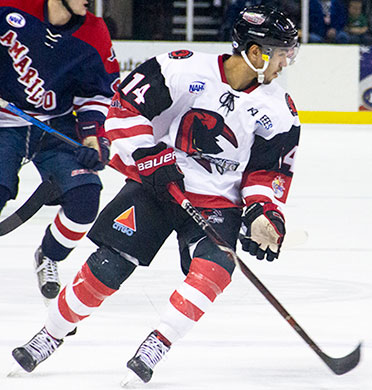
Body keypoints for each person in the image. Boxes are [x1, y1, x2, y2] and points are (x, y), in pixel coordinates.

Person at [11, 5, 301, 385]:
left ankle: (158, 343)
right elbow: (124, 109)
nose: (285, 62)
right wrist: (151, 157)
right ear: (257, 51)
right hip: (159, 184)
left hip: (218, 202)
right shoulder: (180, 68)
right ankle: (50, 334)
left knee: (213, 271)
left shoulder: (280, 110)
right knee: (108, 267)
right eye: (281, 53)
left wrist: (263, 212)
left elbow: (269, 171)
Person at [0, 0, 120, 300]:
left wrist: (93, 139)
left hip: (57, 124)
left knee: (85, 198)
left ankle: (49, 256)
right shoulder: (9, 7)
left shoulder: (95, 31)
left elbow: (98, 92)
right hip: (4, 122)